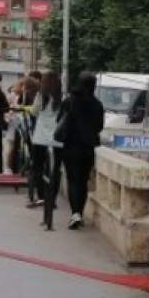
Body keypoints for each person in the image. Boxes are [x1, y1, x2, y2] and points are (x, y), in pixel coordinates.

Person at [58, 72, 105, 230]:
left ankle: (75, 213)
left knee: (72, 179)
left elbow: (60, 120)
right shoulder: (97, 104)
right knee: (83, 181)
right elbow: (99, 127)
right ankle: (79, 212)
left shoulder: (69, 101)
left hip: (70, 146)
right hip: (87, 148)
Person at [29, 72, 62, 212]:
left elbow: (34, 112)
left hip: (40, 138)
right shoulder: (62, 97)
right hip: (56, 139)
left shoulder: (40, 96)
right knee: (56, 170)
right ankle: (52, 198)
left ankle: (42, 195)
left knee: (38, 167)